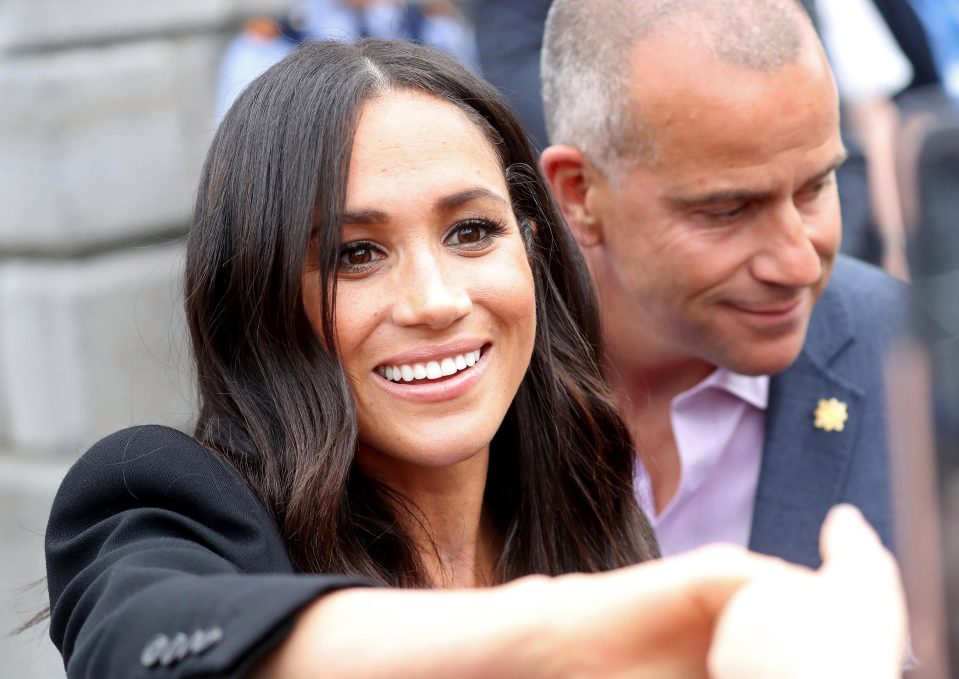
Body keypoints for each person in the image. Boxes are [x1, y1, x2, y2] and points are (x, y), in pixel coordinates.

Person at [45, 39, 906, 678]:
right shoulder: (161, 494)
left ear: (534, 244)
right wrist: (669, 615)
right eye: (355, 254)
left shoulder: (581, 504)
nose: (434, 300)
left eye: (471, 232)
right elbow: (144, 642)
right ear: (259, 292)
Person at [540, 0, 908, 567]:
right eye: (728, 210)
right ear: (579, 193)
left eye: (815, 188)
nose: (799, 266)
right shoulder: (466, 384)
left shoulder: (914, 357)